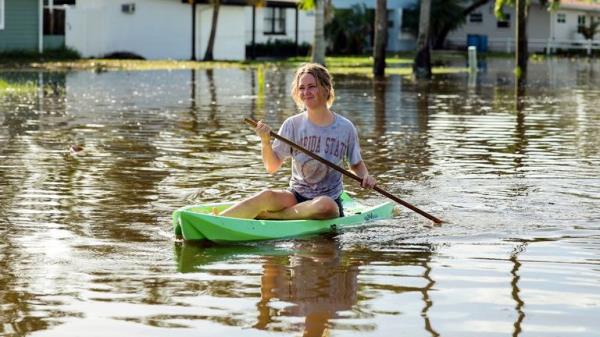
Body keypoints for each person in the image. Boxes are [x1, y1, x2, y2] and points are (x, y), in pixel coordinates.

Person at [219, 63, 375, 220]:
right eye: (302, 88)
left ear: (326, 88)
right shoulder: (292, 124)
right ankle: (217, 220)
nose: (306, 92)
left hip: (328, 203)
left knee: (325, 205)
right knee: (266, 195)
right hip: (295, 196)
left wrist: (366, 176)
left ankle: (273, 216)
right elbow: (271, 167)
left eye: (311, 86)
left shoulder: (345, 127)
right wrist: (265, 142)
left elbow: (355, 165)